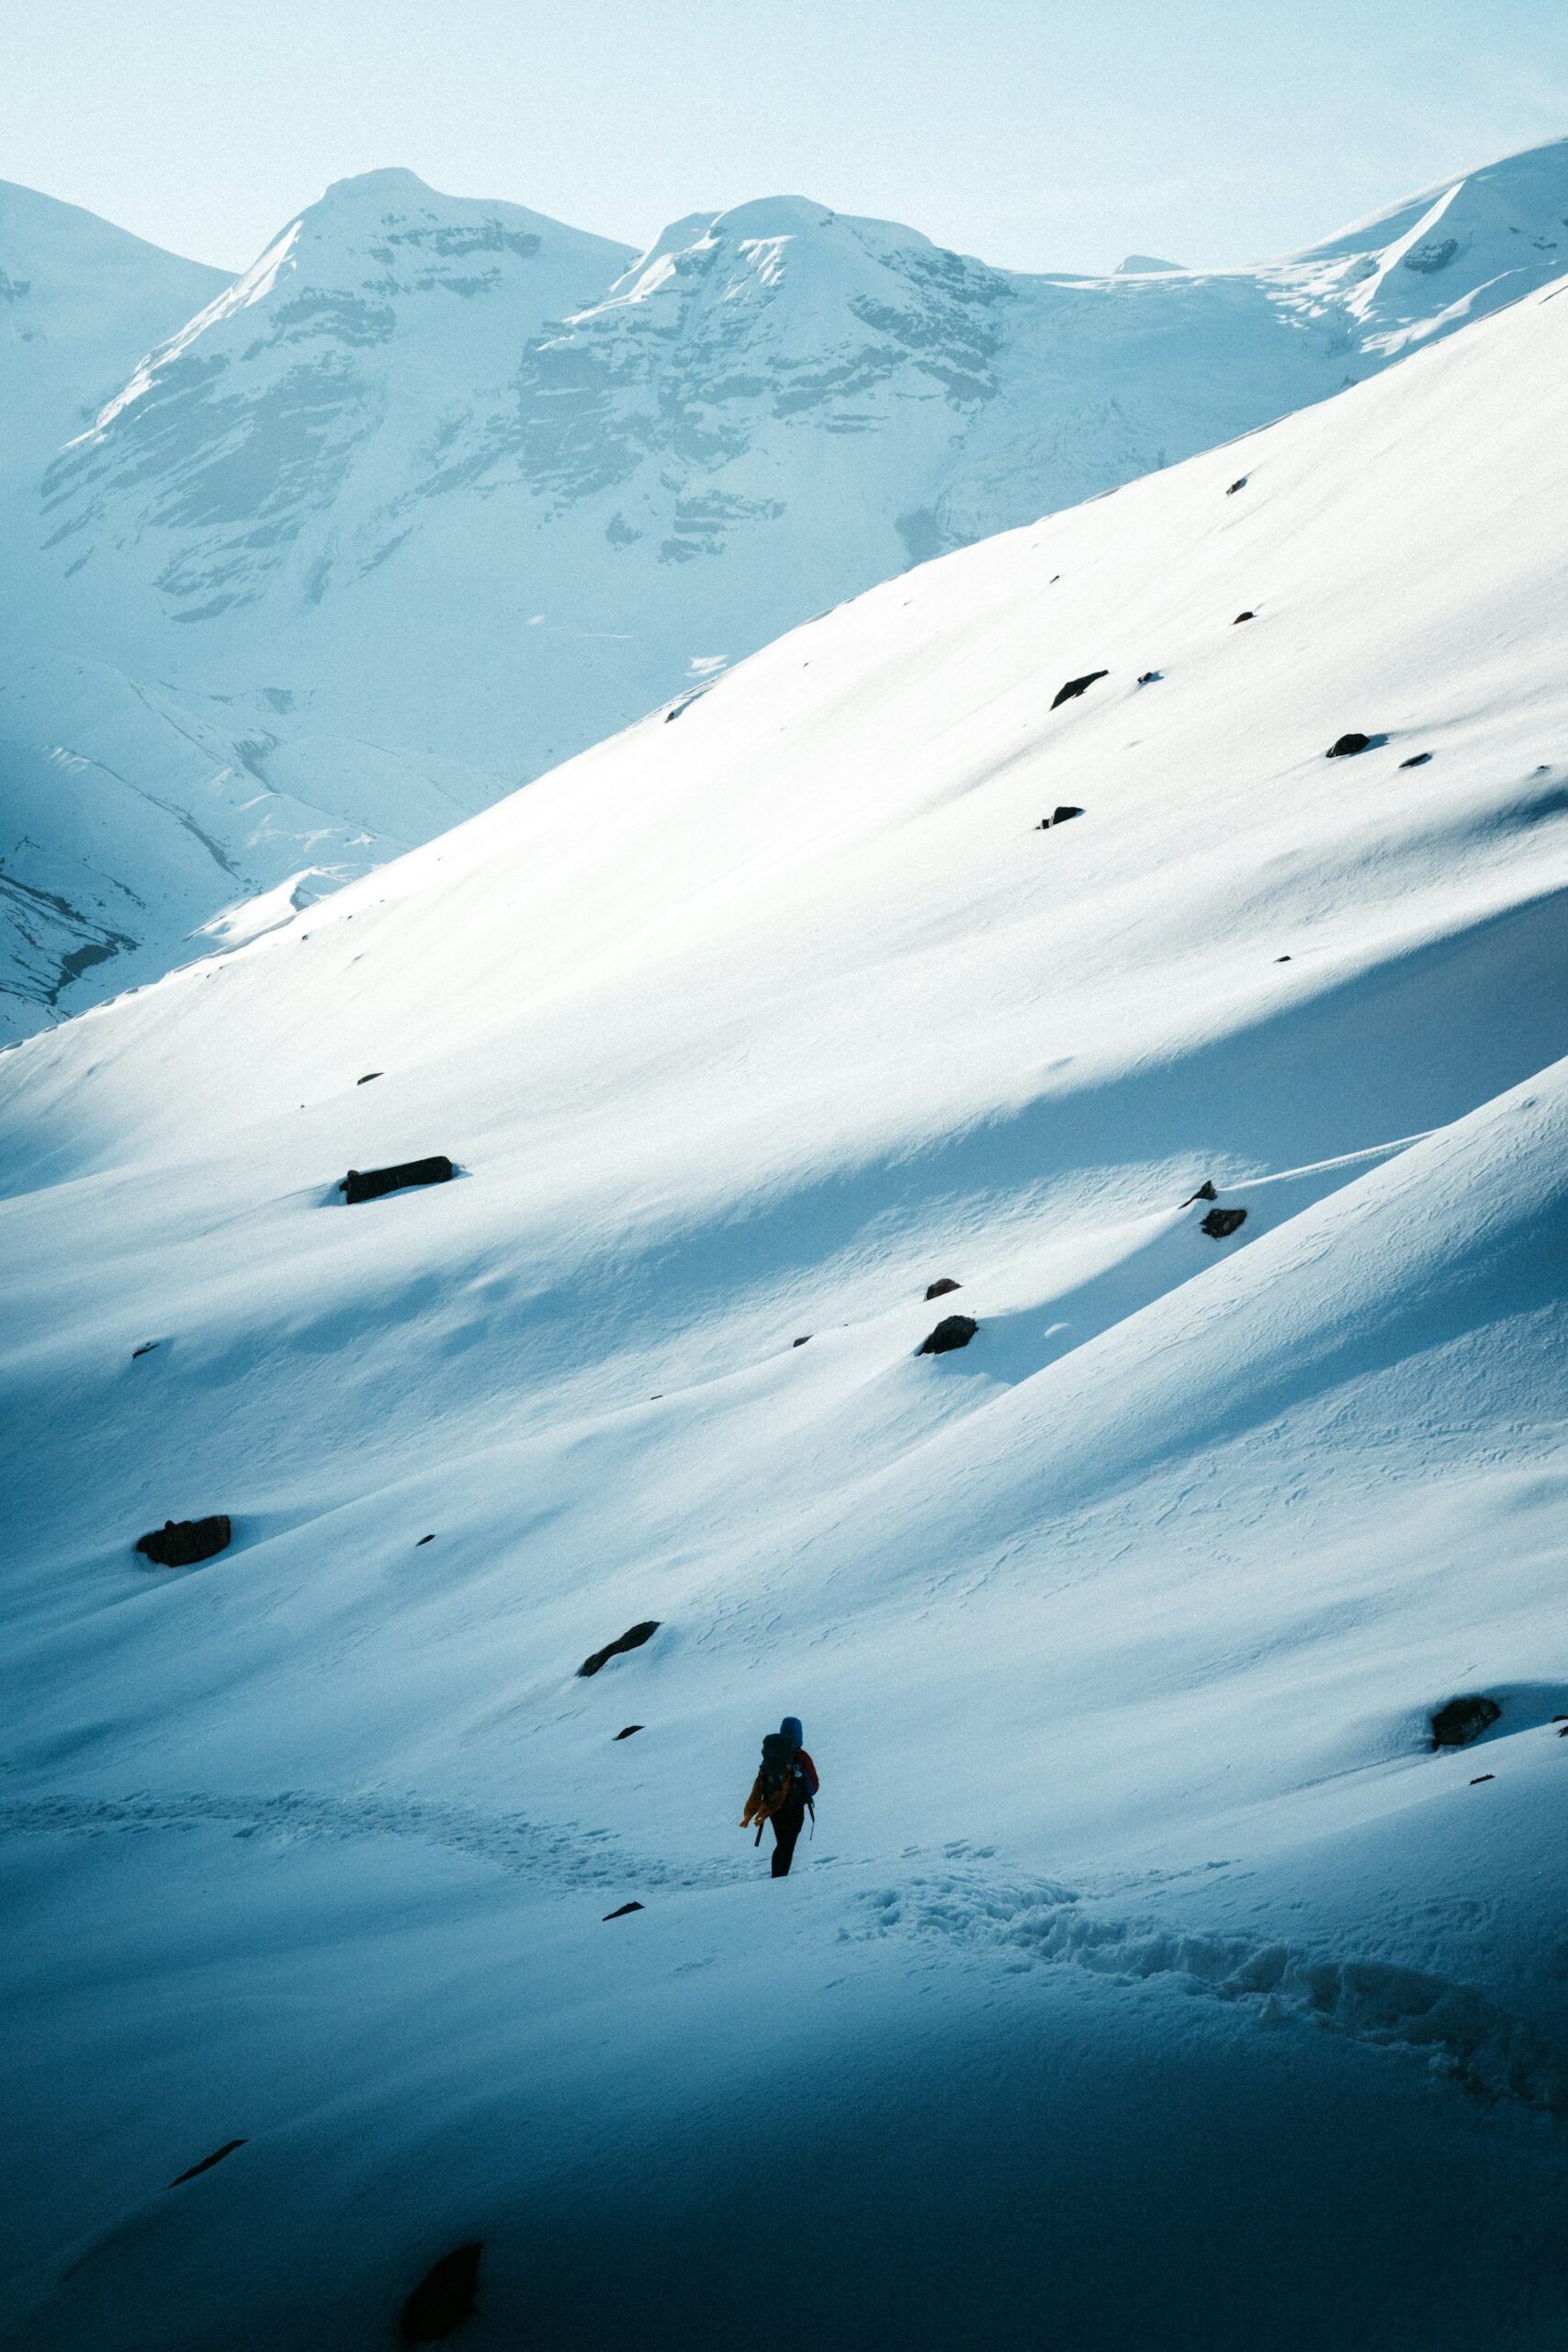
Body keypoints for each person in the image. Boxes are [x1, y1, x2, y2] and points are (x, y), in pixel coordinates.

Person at [740, 1714, 819, 1877]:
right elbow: (813, 1786)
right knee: (787, 1845)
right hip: (794, 1808)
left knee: (782, 1844)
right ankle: (779, 1881)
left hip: (774, 1807)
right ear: (799, 1733)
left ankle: (777, 1877)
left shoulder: (771, 1754)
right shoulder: (801, 1756)